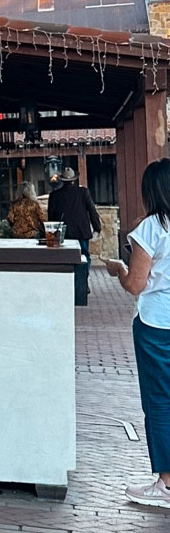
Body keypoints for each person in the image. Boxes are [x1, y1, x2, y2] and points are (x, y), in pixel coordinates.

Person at [106, 158, 170, 511]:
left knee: (160, 401)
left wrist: (118, 269)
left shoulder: (152, 228)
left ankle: (165, 484)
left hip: (157, 324)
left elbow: (135, 284)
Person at [49, 165, 103, 254]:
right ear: (74, 180)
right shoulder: (83, 192)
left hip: (63, 233)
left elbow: (51, 217)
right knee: (83, 256)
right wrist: (97, 228)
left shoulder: (54, 195)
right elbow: (92, 211)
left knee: (64, 257)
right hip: (81, 231)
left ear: (62, 180)